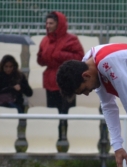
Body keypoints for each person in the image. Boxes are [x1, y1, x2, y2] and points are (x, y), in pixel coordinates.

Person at [37, 11, 84, 143]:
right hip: (50, 81)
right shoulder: (45, 40)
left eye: (51, 23)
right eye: (46, 23)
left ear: (59, 24)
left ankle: (69, 138)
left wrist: (60, 54)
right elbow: (42, 61)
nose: (48, 25)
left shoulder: (71, 39)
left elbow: (80, 58)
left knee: (67, 111)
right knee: (53, 111)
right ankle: (54, 139)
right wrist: (41, 57)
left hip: (67, 81)